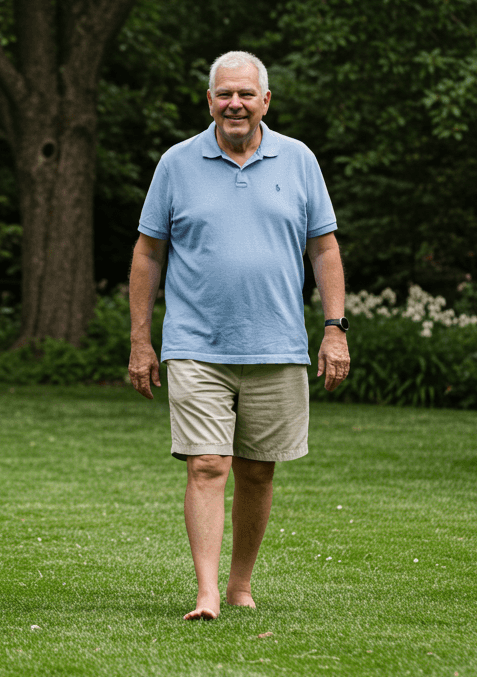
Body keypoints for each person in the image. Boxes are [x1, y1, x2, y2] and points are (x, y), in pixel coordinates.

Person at [128, 51, 351, 621]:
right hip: (196, 344)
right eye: (224, 94)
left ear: (265, 101)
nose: (235, 103)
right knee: (208, 464)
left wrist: (334, 329)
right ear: (209, 101)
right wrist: (140, 340)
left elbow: (323, 247)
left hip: (276, 343)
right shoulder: (177, 164)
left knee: (258, 467)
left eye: (246, 95)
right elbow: (148, 253)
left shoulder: (298, 160)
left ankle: (239, 584)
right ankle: (206, 592)